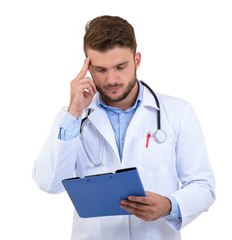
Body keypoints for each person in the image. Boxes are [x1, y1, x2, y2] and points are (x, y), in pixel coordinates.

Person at [32, 15, 215, 240]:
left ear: (137, 60)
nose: (111, 79)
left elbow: (203, 186)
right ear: (87, 67)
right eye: (100, 69)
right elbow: (49, 183)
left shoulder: (178, 112)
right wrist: (74, 114)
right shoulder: (72, 117)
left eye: (121, 67)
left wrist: (170, 205)